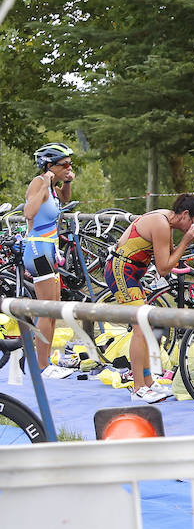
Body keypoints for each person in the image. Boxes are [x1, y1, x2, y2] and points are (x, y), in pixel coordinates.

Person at [105, 193, 194, 402]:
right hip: (122, 272)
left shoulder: (166, 220)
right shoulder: (161, 224)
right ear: (185, 215)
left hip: (130, 272)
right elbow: (163, 268)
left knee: (146, 326)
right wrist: (186, 241)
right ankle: (138, 388)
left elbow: (170, 255)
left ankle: (148, 382)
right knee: (141, 329)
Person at [23, 143, 76, 373]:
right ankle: (42, 365)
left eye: (70, 164)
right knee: (46, 310)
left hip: (50, 249)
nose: (68, 167)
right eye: (64, 164)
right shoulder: (40, 182)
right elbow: (29, 212)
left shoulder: (53, 186)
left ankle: (45, 361)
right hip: (38, 249)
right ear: (49, 165)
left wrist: (66, 182)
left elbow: (63, 200)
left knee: (53, 309)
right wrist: (44, 183)